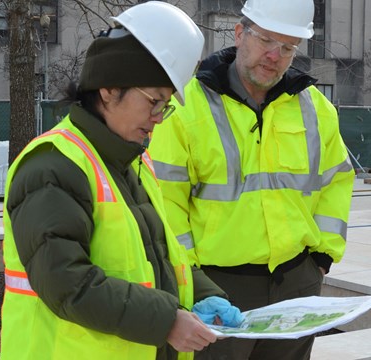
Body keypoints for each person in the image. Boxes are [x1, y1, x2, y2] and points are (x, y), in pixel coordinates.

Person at [0, 2, 242, 359]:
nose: (159, 118)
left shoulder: (130, 160)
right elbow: (67, 283)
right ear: (109, 89)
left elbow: (157, 255)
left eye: (166, 105)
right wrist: (167, 322)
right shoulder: (53, 166)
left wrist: (204, 294)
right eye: (155, 102)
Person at [148, 0, 355, 358]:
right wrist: (192, 280)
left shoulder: (316, 107)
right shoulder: (185, 106)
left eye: (288, 47)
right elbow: (166, 200)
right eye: (266, 40)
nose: (275, 55)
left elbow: (336, 180)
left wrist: (321, 258)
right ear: (240, 33)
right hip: (217, 288)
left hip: (296, 283)